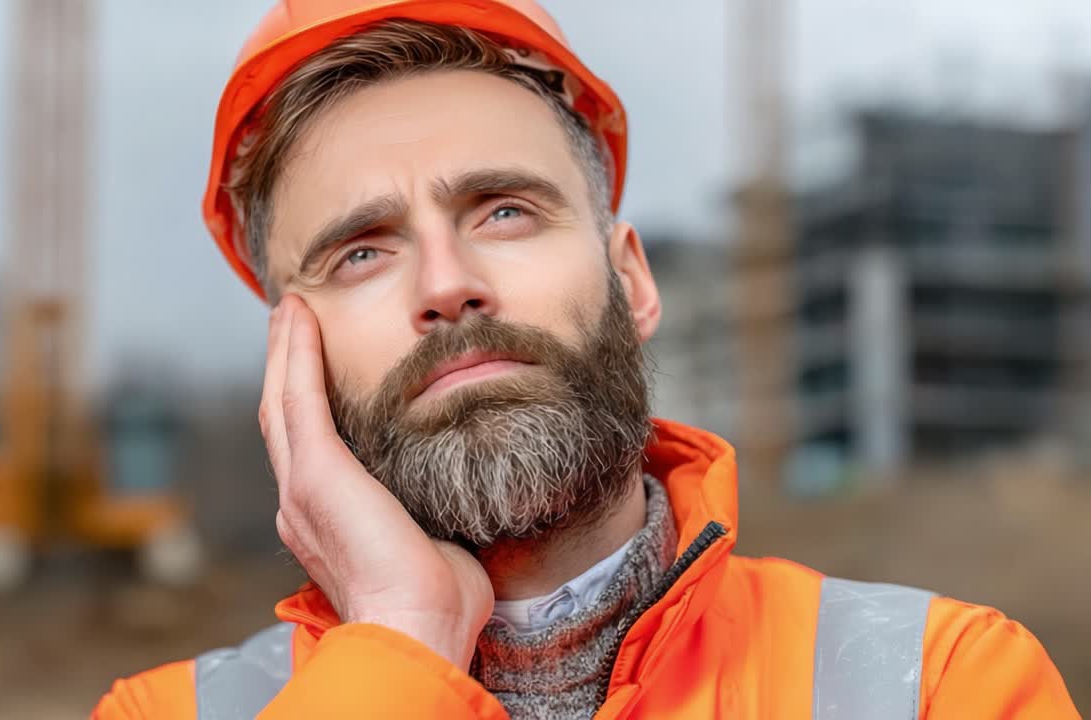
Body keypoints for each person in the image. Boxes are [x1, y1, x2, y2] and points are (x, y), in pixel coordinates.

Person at [93, 1, 1078, 718]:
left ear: (632, 281)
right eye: (362, 250)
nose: (447, 281)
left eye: (504, 210)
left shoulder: (941, 684)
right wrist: (395, 640)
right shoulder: (162, 712)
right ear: (288, 361)